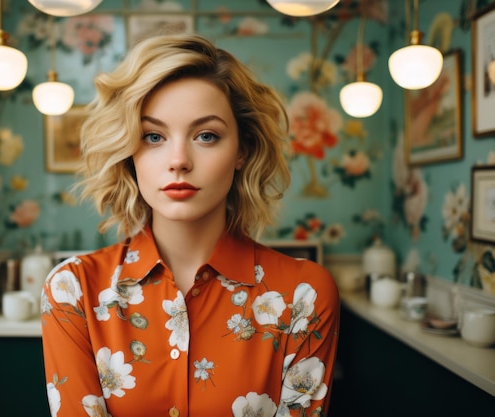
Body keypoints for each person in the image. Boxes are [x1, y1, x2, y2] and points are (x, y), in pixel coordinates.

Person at [40, 33, 340, 417]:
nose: (178, 160)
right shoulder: (72, 291)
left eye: (206, 136)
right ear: (129, 151)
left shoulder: (305, 296)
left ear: (242, 151)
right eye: (153, 136)